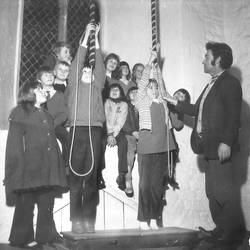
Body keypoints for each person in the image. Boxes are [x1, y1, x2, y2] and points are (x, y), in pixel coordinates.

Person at [165, 42, 243, 250]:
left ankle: (233, 235)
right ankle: (222, 229)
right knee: (213, 192)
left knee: (224, 193)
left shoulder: (230, 83)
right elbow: (194, 109)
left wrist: (226, 142)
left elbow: (233, 116)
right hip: (208, 149)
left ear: (217, 60)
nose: (203, 60)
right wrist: (170, 100)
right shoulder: (211, 83)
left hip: (221, 148)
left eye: (206, 56)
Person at [5, 81, 68, 249]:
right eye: (38, 88)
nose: (43, 91)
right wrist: (16, 171)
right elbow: (14, 145)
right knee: (25, 205)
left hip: (47, 168)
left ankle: (47, 235)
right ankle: (22, 238)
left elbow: (52, 144)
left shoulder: (46, 114)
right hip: (28, 168)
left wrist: (57, 168)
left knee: (47, 202)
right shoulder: (20, 112)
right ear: (29, 93)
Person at [135, 44, 182, 231]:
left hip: (162, 147)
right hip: (147, 148)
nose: (153, 90)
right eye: (150, 88)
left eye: (155, 89)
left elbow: (161, 84)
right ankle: (142, 219)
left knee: (157, 185)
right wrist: (150, 60)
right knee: (145, 185)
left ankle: (154, 218)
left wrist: (157, 66)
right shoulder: (141, 100)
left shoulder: (162, 101)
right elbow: (143, 82)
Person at [66, 22, 106, 234]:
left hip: (94, 132)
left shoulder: (98, 86)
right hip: (77, 132)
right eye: (85, 70)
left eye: (90, 71)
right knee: (75, 179)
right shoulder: (74, 86)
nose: (88, 71)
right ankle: (76, 220)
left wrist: (96, 38)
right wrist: (87, 33)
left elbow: (99, 65)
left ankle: (88, 221)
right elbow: (76, 62)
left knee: (90, 179)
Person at [36, 65, 70, 173]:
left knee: (68, 138)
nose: (49, 77)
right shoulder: (36, 93)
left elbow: (63, 113)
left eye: (51, 75)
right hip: (38, 125)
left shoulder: (59, 95)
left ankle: (65, 169)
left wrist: (53, 124)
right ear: (39, 79)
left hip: (55, 125)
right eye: (46, 75)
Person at [104, 83, 131, 195]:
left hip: (116, 131)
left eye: (117, 89)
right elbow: (105, 118)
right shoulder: (106, 102)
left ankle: (122, 174)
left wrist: (113, 134)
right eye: (112, 89)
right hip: (104, 130)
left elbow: (120, 121)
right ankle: (98, 174)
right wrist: (109, 134)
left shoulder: (124, 105)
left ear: (121, 93)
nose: (114, 91)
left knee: (124, 141)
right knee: (99, 143)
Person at [163, 88, 191, 190]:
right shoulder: (165, 100)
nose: (178, 96)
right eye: (178, 93)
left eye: (182, 97)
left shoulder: (178, 111)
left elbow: (178, 126)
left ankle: (169, 173)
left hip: (168, 131)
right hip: (159, 128)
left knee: (174, 149)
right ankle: (166, 173)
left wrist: (178, 111)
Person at [121, 86, 139, 197]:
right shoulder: (125, 106)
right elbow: (123, 121)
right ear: (128, 95)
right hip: (130, 134)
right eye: (132, 92)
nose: (135, 93)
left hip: (144, 134)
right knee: (130, 153)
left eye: (137, 92)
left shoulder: (145, 106)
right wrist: (133, 132)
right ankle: (128, 179)